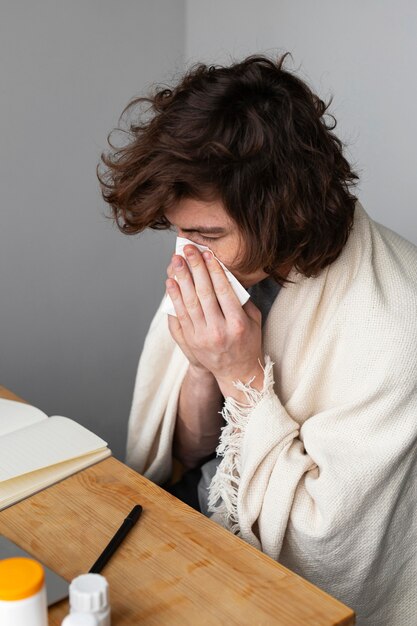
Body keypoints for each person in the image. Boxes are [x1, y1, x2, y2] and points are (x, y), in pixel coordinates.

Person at [98, 55, 417, 625]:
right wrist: (204, 367)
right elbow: (186, 458)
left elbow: (328, 556)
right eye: (181, 232)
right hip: (194, 540)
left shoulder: (395, 325)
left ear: (283, 213)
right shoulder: (219, 259)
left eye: (207, 234)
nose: (189, 253)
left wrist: (243, 377)